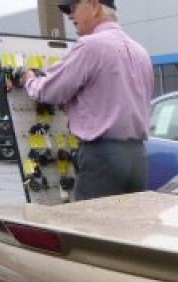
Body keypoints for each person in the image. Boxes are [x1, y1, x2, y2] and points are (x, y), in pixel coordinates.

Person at [12, 0, 154, 200]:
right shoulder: (139, 51)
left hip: (103, 157)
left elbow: (50, 90)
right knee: (129, 227)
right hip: (137, 157)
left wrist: (29, 80)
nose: (70, 15)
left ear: (94, 5)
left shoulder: (90, 46)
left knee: (88, 227)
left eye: (74, 7)